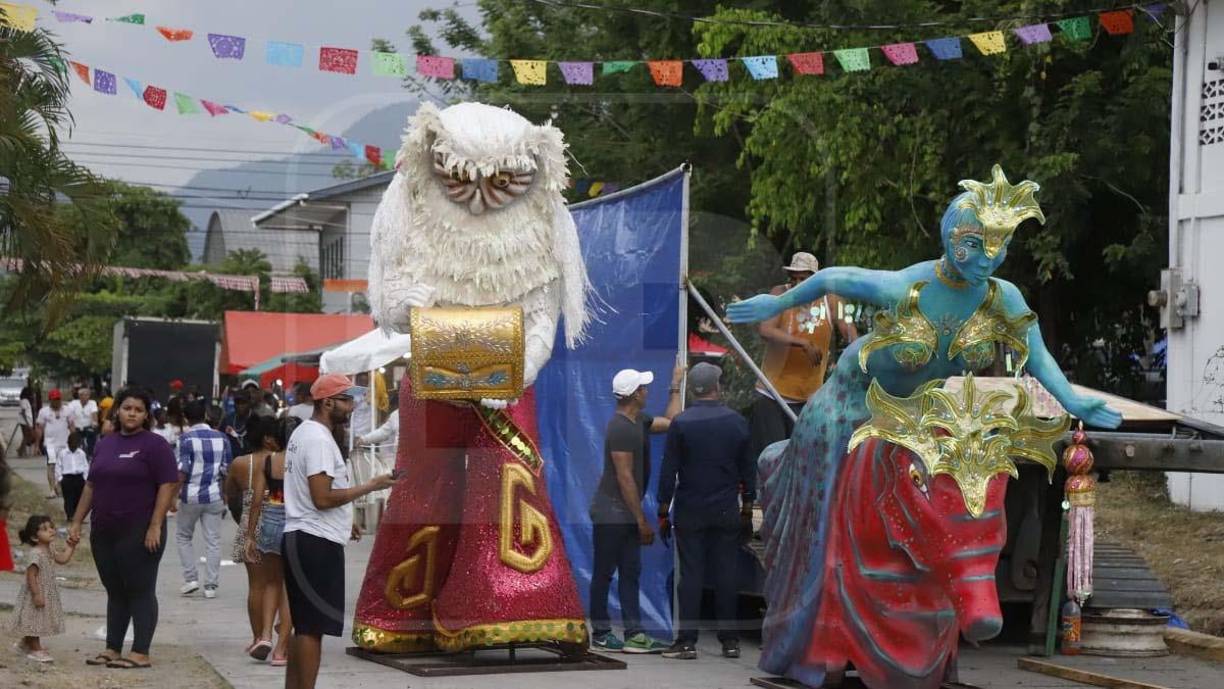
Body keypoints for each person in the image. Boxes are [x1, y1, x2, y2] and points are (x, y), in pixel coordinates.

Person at [727, 166, 1123, 688]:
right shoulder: (908, 286)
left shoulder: (1000, 297)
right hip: (851, 408)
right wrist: (777, 304)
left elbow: (1037, 353)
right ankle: (814, 643)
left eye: (999, 247)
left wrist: (1073, 400)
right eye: (975, 246)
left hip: (920, 417)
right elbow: (829, 278)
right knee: (827, 523)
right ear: (951, 239)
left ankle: (930, 642)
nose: (987, 260)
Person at [283, 373, 396, 689]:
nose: (352, 406)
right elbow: (321, 498)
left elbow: (318, 494)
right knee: (311, 629)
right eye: (346, 400)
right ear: (327, 402)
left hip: (306, 537)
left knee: (305, 627)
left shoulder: (305, 433)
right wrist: (371, 485)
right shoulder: (319, 440)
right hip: (314, 542)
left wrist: (345, 518)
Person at [67, 387, 178, 670]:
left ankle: (140, 651)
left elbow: (167, 485)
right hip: (104, 529)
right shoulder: (105, 443)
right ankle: (112, 648)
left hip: (139, 530)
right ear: (117, 411)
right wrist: (77, 521)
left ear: (146, 415)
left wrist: (155, 525)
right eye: (127, 408)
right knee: (115, 590)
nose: (132, 414)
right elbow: (91, 485)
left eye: (138, 410)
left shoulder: (155, 445)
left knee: (140, 589)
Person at [655, 363, 754, 660]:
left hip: (690, 509)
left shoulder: (681, 423)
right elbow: (748, 470)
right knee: (726, 574)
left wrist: (663, 510)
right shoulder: (737, 422)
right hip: (725, 510)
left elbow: (669, 470)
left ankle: (686, 642)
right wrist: (747, 509)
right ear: (717, 387)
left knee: (691, 575)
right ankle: (730, 641)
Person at [588, 364, 684, 653]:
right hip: (611, 514)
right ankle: (601, 633)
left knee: (630, 572)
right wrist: (641, 521)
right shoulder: (620, 428)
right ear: (635, 394)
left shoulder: (638, 421)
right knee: (604, 573)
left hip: (626, 514)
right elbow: (625, 477)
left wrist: (675, 385)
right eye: (643, 388)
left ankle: (634, 635)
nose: (646, 391)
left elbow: (673, 421)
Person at [750, 252, 859, 462]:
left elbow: (849, 331)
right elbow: (766, 329)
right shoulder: (779, 294)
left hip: (810, 398)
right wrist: (802, 343)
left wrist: (859, 355)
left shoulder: (831, 300)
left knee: (804, 461)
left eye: (804, 279)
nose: (798, 284)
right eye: (794, 278)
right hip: (772, 394)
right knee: (772, 459)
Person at [245, 415, 297, 666]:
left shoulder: (268, 462)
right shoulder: (304, 461)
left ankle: (264, 635)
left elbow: (256, 501)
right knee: (290, 588)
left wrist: (249, 535)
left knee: (271, 584)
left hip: (271, 520)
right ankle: (280, 650)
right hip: (296, 522)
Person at [176, 399, 233, 600]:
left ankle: (191, 579)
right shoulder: (222, 438)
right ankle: (210, 586)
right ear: (206, 416)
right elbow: (226, 470)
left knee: (184, 537)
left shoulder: (185, 439)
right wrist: (225, 496)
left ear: (186, 418)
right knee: (213, 541)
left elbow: (182, 470)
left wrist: (173, 495)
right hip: (214, 495)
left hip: (190, 496)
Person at [225, 415, 268, 656]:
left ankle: (258, 637)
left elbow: (230, 495)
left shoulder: (240, 464)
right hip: (281, 520)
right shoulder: (283, 461)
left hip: (250, 522)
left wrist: (241, 520)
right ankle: (280, 637)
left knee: (257, 586)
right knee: (281, 585)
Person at [10, 515, 75, 663]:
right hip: (36, 592)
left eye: (51, 527)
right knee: (35, 621)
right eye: (45, 529)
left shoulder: (49, 548)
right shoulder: (36, 554)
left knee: (38, 620)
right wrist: (36, 594)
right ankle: (35, 649)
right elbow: (31, 575)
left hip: (46, 591)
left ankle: (25, 644)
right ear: (34, 537)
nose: (51, 530)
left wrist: (71, 547)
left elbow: (62, 559)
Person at [36, 389, 72, 499]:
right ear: (50, 400)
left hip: (65, 444)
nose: (56, 401)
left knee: (64, 467)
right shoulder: (44, 412)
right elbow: (39, 429)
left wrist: (74, 441)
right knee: (51, 466)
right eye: (54, 399)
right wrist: (37, 445)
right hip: (50, 444)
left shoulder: (67, 410)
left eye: (58, 399)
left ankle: (59, 486)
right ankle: (52, 490)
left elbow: (72, 426)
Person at [56, 432, 89, 524]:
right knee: (69, 498)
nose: (74, 446)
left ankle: (78, 517)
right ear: (68, 443)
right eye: (72, 443)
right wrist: (60, 479)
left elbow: (85, 466)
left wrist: (85, 478)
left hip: (79, 477)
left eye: (76, 444)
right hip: (67, 478)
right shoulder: (63, 453)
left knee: (79, 498)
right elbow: (58, 466)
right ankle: (70, 515)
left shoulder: (81, 453)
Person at [65, 386, 99, 457]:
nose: (86, 397)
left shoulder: (92, 403)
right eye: (84, 395)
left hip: (88, 427)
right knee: (73, 440)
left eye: (88, 395)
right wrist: (71, 426)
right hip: (76, 427)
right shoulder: (73, 403)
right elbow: (69, 415)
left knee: (92, 437)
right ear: (79, 396)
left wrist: (94, 423)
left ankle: (91, 454)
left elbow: (94, 414)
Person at [223, 385, 257, 458]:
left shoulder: (255, 419)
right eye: (237, 402)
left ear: (249, 403)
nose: (240, 406)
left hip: (250, 459)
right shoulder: (228, 419)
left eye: (243, 403)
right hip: (231, 459)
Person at [17, 387, 37, 458]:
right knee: (26, 436)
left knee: (26, 437)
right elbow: (23, 412)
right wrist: (27, 423)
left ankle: (21, 450)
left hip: (26, 421)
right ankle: (20, 450)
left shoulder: (26, 401)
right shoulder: (24, 401)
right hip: (25, 421)